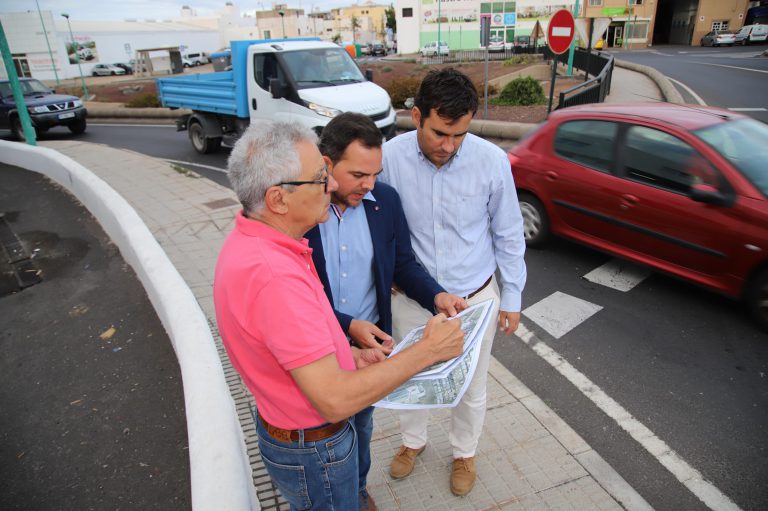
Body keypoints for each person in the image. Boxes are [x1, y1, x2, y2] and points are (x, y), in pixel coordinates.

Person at [213, 120, 465, 510]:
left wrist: (350, 355)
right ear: (279, 199)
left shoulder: (263, 242)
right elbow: (333, 398)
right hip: (315, 445)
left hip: (305, 427)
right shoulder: (274, 275)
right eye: (319, 178)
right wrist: (428, 351)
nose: (329, 186)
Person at [305, 112, 468, 510]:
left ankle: (358, 491)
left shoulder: (386, 202)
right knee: (321, 436)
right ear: (326, 164)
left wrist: (437, 296)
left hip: (371, 346)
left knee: (361, 425)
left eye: (375, 174)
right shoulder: (303, 208)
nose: (369, 185)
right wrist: (347, 326)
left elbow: (402, 264)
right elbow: (295, 292)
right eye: (359, 174)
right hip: (316, 347)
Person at [380, 68, 527, 496]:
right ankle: (413, 443)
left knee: (470, 385)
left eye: (459, 135)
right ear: (416, 116)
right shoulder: (389, 158)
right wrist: (387, 272)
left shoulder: (492, 161)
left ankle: (464, 452)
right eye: (441, 133)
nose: (449, 146)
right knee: (409, 377)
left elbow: (508, 233)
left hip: (475, 299)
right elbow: (374, 223)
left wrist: (512, 297)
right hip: (412, 299)